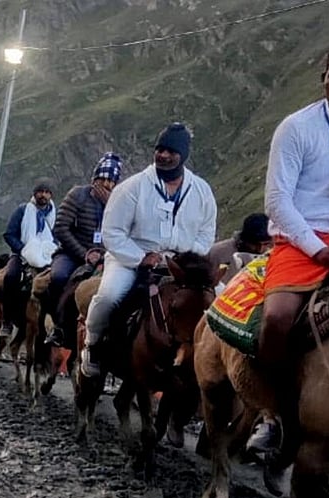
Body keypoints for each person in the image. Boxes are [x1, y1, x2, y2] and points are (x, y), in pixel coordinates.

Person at [245, 36, 329, 474]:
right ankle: (276, 418)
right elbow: (278, 201)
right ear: (324, 77)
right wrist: (319, 248)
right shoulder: (296, 128)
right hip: (302, 243)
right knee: (278, 319)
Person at [81, 122, 217, 377]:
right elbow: (113, 233)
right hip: (129, 258)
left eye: (171, 151)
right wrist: (141, 257)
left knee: (218, 301)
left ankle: (213, 361)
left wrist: (186, 258)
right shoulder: (131, 188)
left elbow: (206, 233)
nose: (163, 155)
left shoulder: (202, 191)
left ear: (183, 155)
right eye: (160, 149)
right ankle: (93, 345)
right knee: (108, 296)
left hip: (180, 264)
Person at [45, 153, 123, 347]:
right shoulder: (77, 195)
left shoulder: (120, 203)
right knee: (59, 277)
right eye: (102, 179)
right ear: (94, 178)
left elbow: (122, 231)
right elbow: (61, 228)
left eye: (111, 181)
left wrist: (111, 206)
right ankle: (57, 326)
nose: (106, 185)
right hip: (72, 253)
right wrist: (84, 253)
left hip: (105, 256)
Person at [0, 178, 57, 339]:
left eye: (46, 192)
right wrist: (23, 250)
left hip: (45, 256)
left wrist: (51, 250)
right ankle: (7, 320)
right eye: (40, 192)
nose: (43, 195)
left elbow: (56, 237)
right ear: (35, 193)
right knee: (11, 277)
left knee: (57, 281)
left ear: (51, 195)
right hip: (21, 254)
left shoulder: (54, 215)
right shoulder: (23, 210)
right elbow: (9, 234)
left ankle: (54, 325)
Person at [207, 212, 273, 287]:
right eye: (255, 244)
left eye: (265, 244)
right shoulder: (218, 253)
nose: (260, 249)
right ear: (245, 239)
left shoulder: (273, 255)